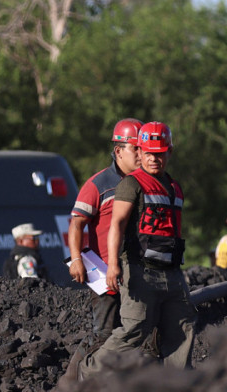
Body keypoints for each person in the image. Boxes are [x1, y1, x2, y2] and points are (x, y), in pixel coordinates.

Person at [78, 121, 197, 380]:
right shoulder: (131, 184)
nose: (155, 158)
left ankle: (177, 384)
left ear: (170, 152)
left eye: (161, 153)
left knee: (183, 326)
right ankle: (90, 373)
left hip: (172, 272)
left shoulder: (174, 187)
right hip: (140, 270)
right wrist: (113, 266)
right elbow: (116, 225)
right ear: (140, 153)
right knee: (135, 329)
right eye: (149, 153)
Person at [68, 118, 143, 342]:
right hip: (105, 275)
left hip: (137, 274)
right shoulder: (98, 185)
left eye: (143, 148)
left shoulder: (145, 183)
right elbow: (76, 224)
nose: (141, 154)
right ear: (118, 151)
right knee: (104, 336)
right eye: (135, 148)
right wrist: (75, 259)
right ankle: (80, 377)